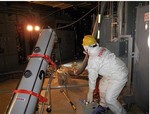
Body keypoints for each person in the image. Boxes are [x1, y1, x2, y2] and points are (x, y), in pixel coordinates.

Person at [82, 35, 128, 114]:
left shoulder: (93, 59)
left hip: (119, 75)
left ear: (86, 47)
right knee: (102, 84)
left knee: (110, 99)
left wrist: (90, 92)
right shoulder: (101, 49)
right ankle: (103, 106)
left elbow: (92, 77)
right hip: (114, 71)